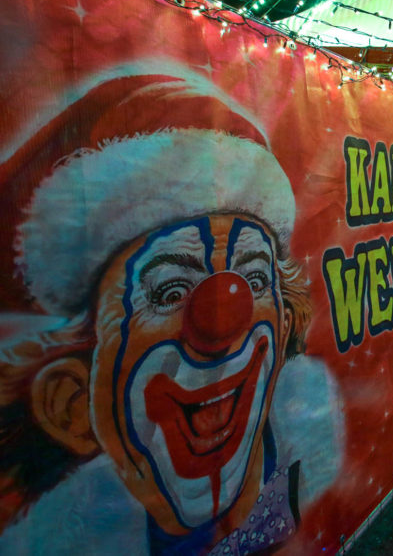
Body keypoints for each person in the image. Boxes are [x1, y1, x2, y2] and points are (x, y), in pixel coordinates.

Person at [0, 71, 342, 554]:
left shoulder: (308, 463)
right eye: (167, 292)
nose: (223, 316)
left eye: (254, 278)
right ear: (74, 403)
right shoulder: (81, 533)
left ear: (283, 329)